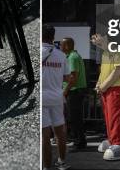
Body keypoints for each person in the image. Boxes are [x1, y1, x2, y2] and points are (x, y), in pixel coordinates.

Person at [91, 32, 120, 161]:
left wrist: (103, 86)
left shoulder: (119, 50)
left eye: (102, 37)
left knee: (116, 117)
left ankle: (119, 143)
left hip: (116, 89)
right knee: (109, 118)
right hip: (107, 90)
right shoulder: (106, 53)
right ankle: (113, 139)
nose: (98, 39)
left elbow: (118, 71)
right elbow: (104, 72)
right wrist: (99, 84)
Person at [42, 24, 71, 170]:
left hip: (42, 98)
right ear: (53, 37)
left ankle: (46, 167)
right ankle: (62, 162)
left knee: (45, 137)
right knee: (60, 132)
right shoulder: (61, 55)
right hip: (57, 97)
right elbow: (68, 77)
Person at [61, 37, 87, 150]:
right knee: (75, 117)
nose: (60, 47)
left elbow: (73, 77)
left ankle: (79, 142)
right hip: (75, 90)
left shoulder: (72, 57)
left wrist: (65, 91)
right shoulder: (73, 56)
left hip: (74, 91)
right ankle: (79, 140)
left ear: (67, 46)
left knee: (74, 118)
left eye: (62, 45)